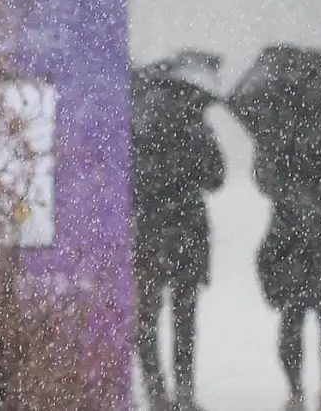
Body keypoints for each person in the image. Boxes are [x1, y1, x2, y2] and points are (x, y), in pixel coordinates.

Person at [130, 66, 226, 411]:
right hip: (189, 232)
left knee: (147, 316)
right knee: (185, 317)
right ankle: (185, 392)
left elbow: (133, 184)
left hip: (150, 233)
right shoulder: (194, 125)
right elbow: (217, 178)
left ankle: (157, 392)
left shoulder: (139, 124)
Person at [254, 142, 321, 411]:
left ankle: (305, 390)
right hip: (313, 236)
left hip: (302, 236)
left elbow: (263, 179)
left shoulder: (279, 129)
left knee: (303, 315)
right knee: (317, 316)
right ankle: (319, 389)